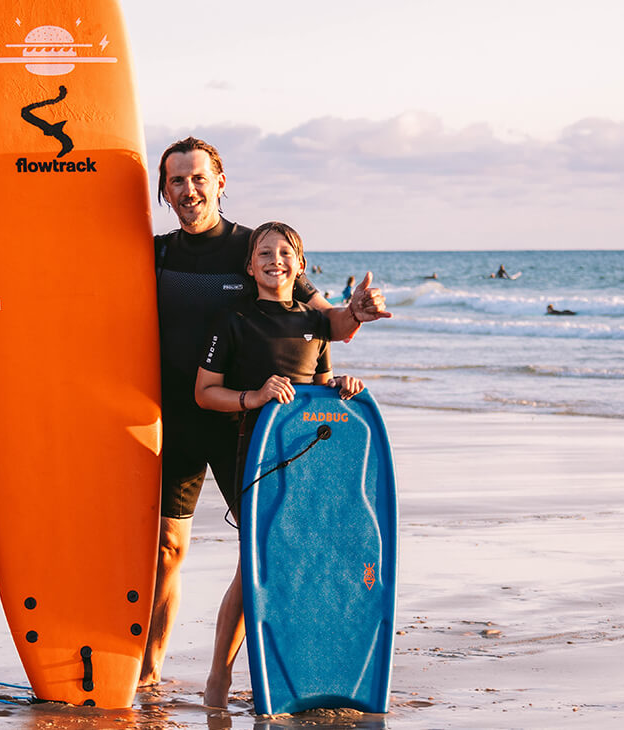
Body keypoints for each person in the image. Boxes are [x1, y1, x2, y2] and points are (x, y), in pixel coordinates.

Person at [140, 136, 390, 688]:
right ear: (164, 190)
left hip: (248, 426)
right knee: (165, 551)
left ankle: (229, 674)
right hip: (176, 418)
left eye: (199, 178)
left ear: (220, 181)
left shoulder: (252, 246)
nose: (188, 190)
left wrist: (354, 312)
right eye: (176, 180)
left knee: (259, 548)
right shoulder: (155, 253)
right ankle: (150, 670)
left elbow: (324, 321)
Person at [193, 221, 364, 707]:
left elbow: (321, 393)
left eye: (285, 252)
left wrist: (342, 388)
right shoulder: (232, 320)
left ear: (301, 265)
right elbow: (205, 393)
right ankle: (220, 680)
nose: (275, 260)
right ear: (249, 266)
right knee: (257, 563)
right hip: (248, 455)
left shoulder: (316, 325)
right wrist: (256, 395)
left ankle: (292, 670)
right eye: (264, 253)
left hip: (307, 459)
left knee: (295, 562)